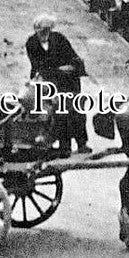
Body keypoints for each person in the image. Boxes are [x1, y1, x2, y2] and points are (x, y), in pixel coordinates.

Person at [25, 14, 90, 154]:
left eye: (48, 29)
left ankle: (82, 144)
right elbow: (39, 66)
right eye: (43, 30)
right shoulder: (31, 43)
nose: (46, 33)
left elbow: (73, 58)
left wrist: (71, 67)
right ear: (36, 29)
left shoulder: (59, 38)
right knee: (59, 114)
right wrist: (59, 70)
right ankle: (64, 147)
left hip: (68, 81)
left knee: (76, 110)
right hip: (50, 82)